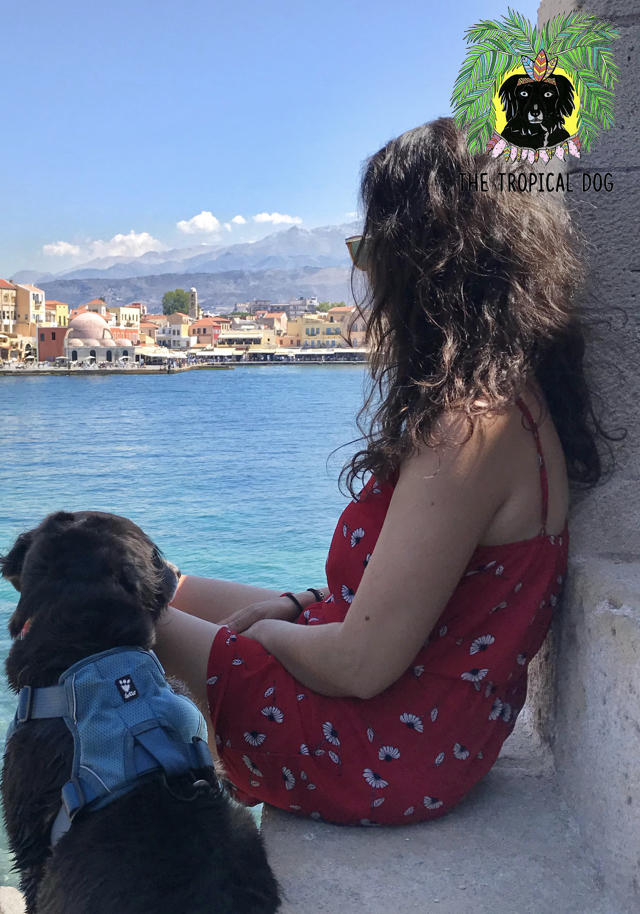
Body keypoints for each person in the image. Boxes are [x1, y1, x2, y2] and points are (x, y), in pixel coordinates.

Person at [153, 117, 616, 826]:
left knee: (97, 599)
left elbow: (360, 664)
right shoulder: (514, 399)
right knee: (157, 581)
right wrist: (299, 603)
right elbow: (414, 607)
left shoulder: (468, 425)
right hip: (435, 736)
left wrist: (266, 636)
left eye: (370, 253)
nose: (367, 282)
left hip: (381, 749)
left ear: (423, 265)